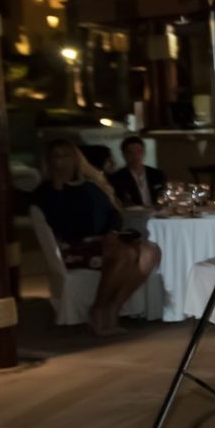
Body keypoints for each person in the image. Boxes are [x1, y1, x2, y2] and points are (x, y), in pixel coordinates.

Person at [33, 139, 161, 336]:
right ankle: (99, 308)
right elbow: (62, 225)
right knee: (126, 253)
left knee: (151, 251)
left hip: (102, 240)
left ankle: (115, 306)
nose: (61, 162)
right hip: (73, 245)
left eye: (65, 156)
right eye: (56, 157)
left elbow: (114, 214)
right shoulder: (47, 191)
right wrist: (58, 189)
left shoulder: (89, 187)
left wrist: (111, 232)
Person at [107, 136, 165, 208]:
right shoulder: (117, 177)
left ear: (144, 153)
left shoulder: (157, 174)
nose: (135, 156)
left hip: (158, 214)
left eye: (139, 152)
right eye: (130, 153)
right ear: (124, 155)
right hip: (133, 216)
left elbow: (164, 196)